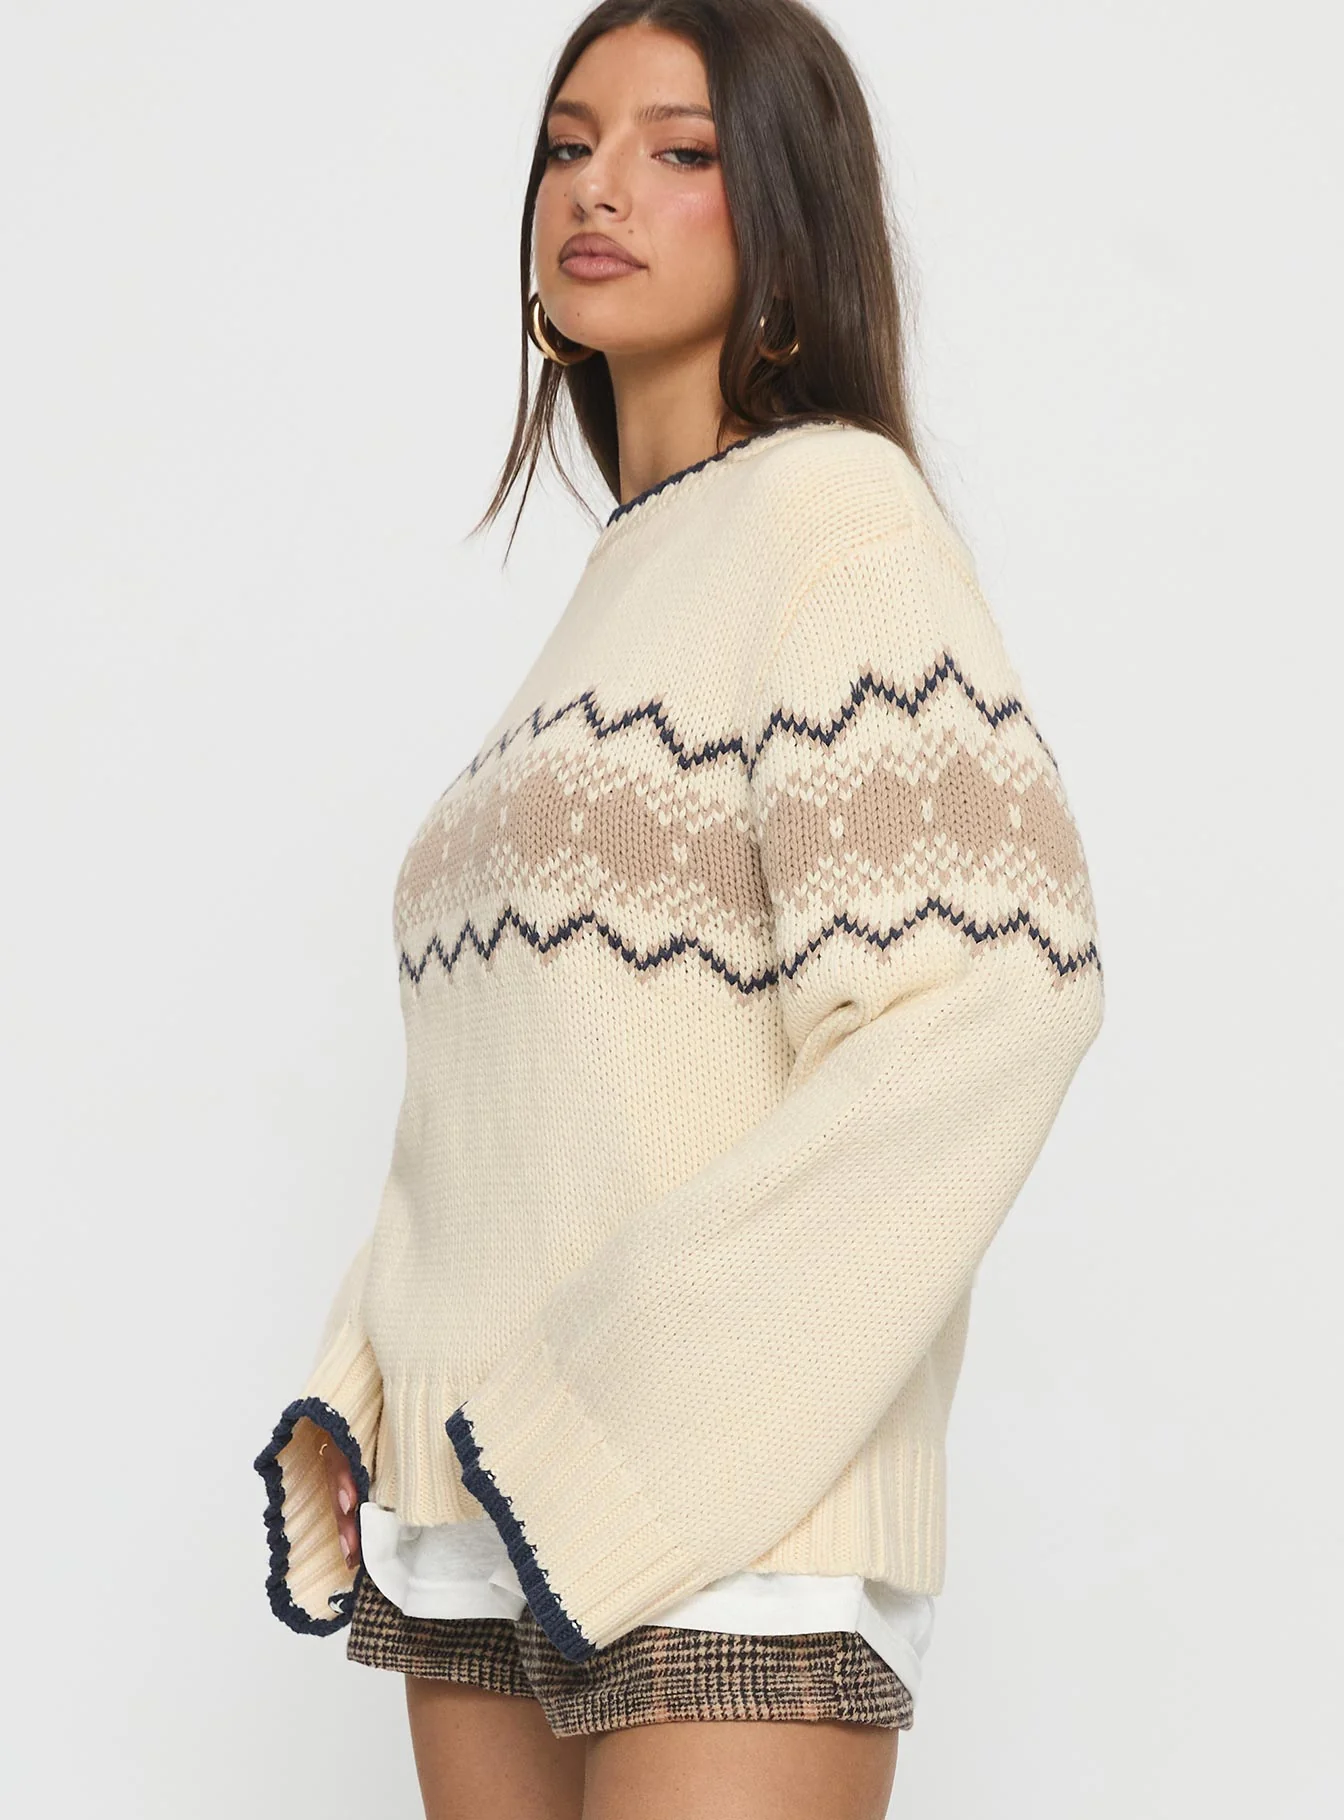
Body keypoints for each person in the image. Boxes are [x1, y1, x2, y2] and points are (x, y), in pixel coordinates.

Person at [252, 4, 1105, 1816]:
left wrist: (639, 1394)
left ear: (786, 207)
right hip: (482, 1510)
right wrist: (368, 1380)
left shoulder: (837, 520)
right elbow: (503, 1104)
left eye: (681, 150)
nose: (600, 188)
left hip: (726, 1509)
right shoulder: (617, 599)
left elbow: (997, 997)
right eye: (570, 145)